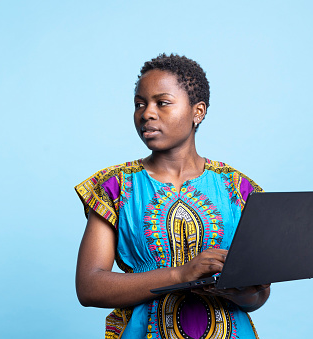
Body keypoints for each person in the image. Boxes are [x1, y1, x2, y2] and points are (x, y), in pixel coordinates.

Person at [74, 53, 270, 339]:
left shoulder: (237, 188)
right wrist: (181, 275)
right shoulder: (114, 187)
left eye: (162, 103)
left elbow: (259, 296)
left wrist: (237, 291)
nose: (147, 113)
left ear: (198, 111)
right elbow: (89, 287)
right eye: (140, 104)